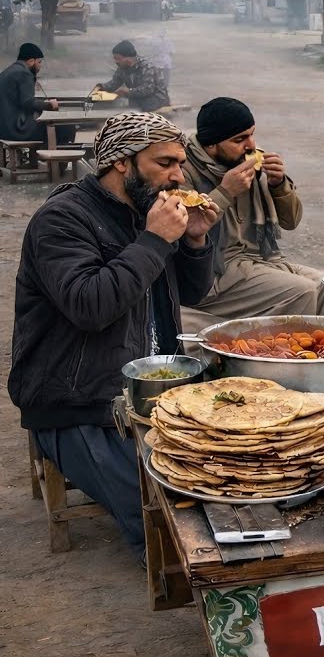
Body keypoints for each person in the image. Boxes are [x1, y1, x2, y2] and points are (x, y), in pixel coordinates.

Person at [8, 112, 219, 558]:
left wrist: (196, 242)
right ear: (122, 162)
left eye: (180, 163)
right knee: (171, 519)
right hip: (79, 400)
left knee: (225, 477)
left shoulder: (148, 211)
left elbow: (195, 293)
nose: (178, 175)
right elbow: (92, 307)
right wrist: (154, 240)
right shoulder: (62, 220)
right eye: (165, 163)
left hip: (157, 386)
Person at [180, 97, 320, 332]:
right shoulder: (183, 170)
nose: (251, 145)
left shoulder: (247, 167)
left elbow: (291, 221)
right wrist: (225, 192)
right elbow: (182, 228)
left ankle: (322, 351)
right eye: (240, 139)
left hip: (258, 259)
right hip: (216, 273)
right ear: (211, 144)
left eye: (252, 134)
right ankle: (282, 361)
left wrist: (278, 184)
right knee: (302, 290)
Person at [0, 43, 74, 146]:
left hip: (4, 129)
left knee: (50, 125)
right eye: (39, 62)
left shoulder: (9, 72)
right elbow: (28, 103)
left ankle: (43, 157)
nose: (40, 66)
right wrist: (49, 105)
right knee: (65, 126)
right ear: (31, 61)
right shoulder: (24, 73)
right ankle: (55, 160)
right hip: (17, 129)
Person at [92, 40, 170, 112]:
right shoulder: (122, 68)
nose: (116, 61)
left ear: (128, 58)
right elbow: (114, 83)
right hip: (139, 99)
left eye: (118, 58)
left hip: (156, 100)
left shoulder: (148, 66)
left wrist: (127, 91)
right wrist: (101, 87)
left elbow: (148, 89)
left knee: (138, 105)